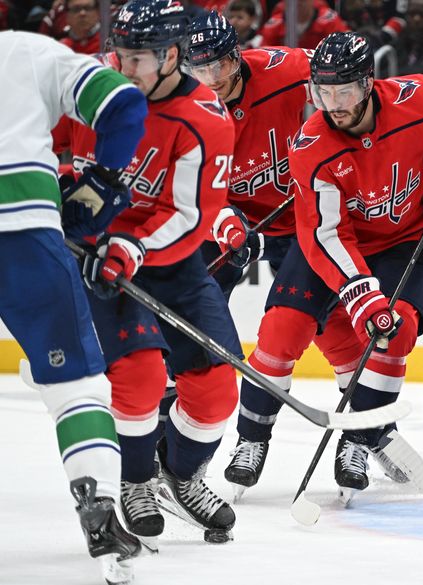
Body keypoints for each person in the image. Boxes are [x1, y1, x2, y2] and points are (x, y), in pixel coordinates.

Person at [56, 0, 241, 547]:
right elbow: (49, 147)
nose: (125, 68)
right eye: (122, 53)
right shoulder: (89, 88)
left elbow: (191, 215)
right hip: (99, 258)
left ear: (173, 56)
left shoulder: (205, 118)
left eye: (139, 58)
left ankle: (180, 476)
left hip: (169, 259)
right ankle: (135, 481)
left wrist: (132, 246)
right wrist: (62, 183)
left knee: (215, 391)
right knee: (136, 377)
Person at [289, 31, 423, 499]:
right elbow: (325, 233)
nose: (333, 104)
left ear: (368, 83)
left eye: (343, 90)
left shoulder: (418, 99)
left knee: (399, 329)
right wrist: (361, 293)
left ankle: (358, 440)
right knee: (359, 322)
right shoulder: (312, 144)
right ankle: (363, 434)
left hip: (412, 239)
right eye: (323, 92)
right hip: (358, 246)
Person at [182, 13, 371, 498]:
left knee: (323, 325)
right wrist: (223, 220)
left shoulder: (288, 68)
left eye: (221, 65)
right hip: (234, 221)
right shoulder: (187, 105)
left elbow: (352, 89)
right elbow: (189, 180)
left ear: (237, 53)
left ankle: (366, 430)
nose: (212, 81)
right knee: (191, 311)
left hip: (308, 216)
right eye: (199, 69)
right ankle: (182, 439)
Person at [0, 29, 146, 578]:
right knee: (75, 387)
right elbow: (124, 106)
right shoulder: (26, 50)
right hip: (24, 236)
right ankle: (100, 506)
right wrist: (100, 185)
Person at [259, 0, 349, 49]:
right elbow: (264, 53)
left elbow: (347, 44)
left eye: (302, 0)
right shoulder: (274, 25)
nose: (298, 3)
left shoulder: (329, 20)